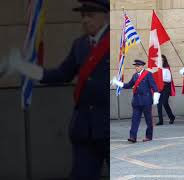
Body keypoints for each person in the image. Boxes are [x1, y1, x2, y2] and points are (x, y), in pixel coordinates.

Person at [6, 0, 110, 179]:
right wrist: (25, 68)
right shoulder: (80, 45)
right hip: (84, 128)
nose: (85, 20)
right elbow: (61, 74)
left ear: (106, 16)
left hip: (110, 127)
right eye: (83, 16)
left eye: (90, 15)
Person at [111, 59, 160, 143]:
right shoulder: (134, 76)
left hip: (146, 101)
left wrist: (156, 98)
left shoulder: (148, 74)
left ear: (142, 66)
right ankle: (132, 137)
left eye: (138, 66)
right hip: (136, 101)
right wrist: (117, 83)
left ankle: (148, 136)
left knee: (148, 120)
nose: (136, 67)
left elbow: (154, 87)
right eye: (135, 66)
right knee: (135, 120)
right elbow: (128, 85)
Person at [156, 55, 176, 125]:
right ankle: (160, 120)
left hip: (165, 87)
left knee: (165, 103)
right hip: (158, 88)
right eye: (159, 60)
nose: (161, 61)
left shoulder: (166, 69)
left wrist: (161, 79)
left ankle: (171, 117)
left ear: (164, 61)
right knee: (158, 104)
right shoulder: (156, 69)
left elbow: (169, 79)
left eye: (162, 60)